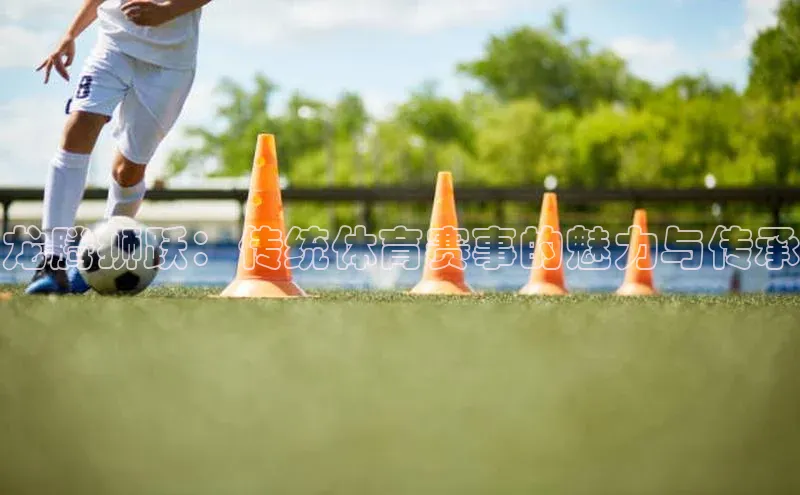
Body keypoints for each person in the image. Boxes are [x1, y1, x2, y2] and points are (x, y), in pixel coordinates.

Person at [26, 0, 212, 295]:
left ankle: (97, 266)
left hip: (171, 63)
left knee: (127, 170)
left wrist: (167, 11)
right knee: (78, 127)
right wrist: (70, 34)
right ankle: (53, 261)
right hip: (114, 45)